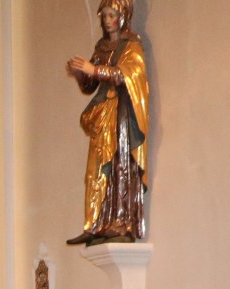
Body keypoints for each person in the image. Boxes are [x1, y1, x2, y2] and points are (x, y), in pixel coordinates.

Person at [65, 0, 149, 245]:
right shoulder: (101, 47)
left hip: (123, 116)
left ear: (123, 15)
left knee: (119, 165)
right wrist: (81, 74)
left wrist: (94, 70)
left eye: (113, 15)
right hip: (103, 113)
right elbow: (90, 85)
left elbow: (126, 75)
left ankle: (121, 221)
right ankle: (96, 223)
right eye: (105, 16)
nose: (108, 20)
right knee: (97, 168)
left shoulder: (132, 46)